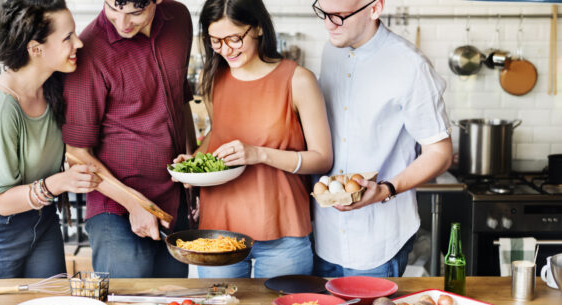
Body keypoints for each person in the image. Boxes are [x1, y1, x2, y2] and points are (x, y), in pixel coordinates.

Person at [173, 0, 333, 278]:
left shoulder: (298, 80)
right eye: (216, 41)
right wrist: (195, 163)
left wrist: (259, 154)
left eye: (234, 39)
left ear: (258, 27)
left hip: (283, 231)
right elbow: (218, 133)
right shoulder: (214, 78)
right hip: (218, 231)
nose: (225, 49)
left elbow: (322, 159)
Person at [311, 0, 453, 277]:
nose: (328, 24)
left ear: (374, 9)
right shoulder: (331, 49)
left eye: (339, 16)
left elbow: (440, 153)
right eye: (323, 13)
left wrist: (387, 189)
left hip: (377, 241)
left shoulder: (411, 65)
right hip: (323, 236)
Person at [0, 0, 100, 278]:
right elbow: (0, 202)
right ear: (36, 49)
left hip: (43, 219)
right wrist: (60, 183)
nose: (79, 44)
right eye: (67, 38)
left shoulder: (52, 87)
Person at [62, 0, 196, 278]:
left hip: (175, 202)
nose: (123, 24)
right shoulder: (89, 50)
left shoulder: (180, 19)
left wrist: (194, 175)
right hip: (117, 211)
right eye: (113, 8)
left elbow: (181, 101)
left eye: (136, 13)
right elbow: (76, 154)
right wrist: (136, 204)